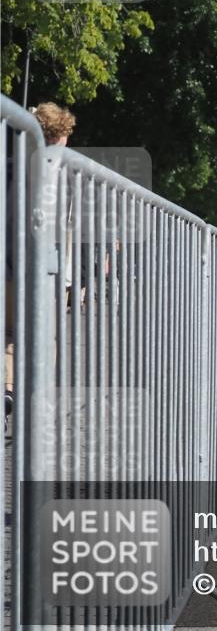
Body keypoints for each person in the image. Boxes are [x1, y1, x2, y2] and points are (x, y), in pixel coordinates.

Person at [5, 103, 76, 426]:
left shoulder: (12, 161)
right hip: (41, 268)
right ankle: (36, 402)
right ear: (58, 135)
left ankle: (7, 391)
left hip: (8, 264)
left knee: (6, 333)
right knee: (43, 338)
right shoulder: (59, 171)